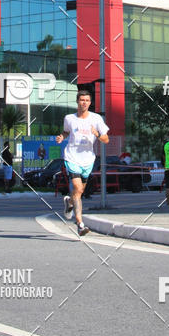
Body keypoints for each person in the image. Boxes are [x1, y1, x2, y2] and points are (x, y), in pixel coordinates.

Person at [56, 88, 109, 236]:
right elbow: (67, 131)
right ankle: (80, 224)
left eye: (87, 100)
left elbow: (106, 140)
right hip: (72, 157)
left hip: (88, 159)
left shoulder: (96, 119)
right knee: (78, 188)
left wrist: (97, 134)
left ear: (90, 103)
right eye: (81, 100)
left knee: (80, 191)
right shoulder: (69, 118)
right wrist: (62, 136)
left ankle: (69, 203)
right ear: (77, 102)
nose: (84, 103)